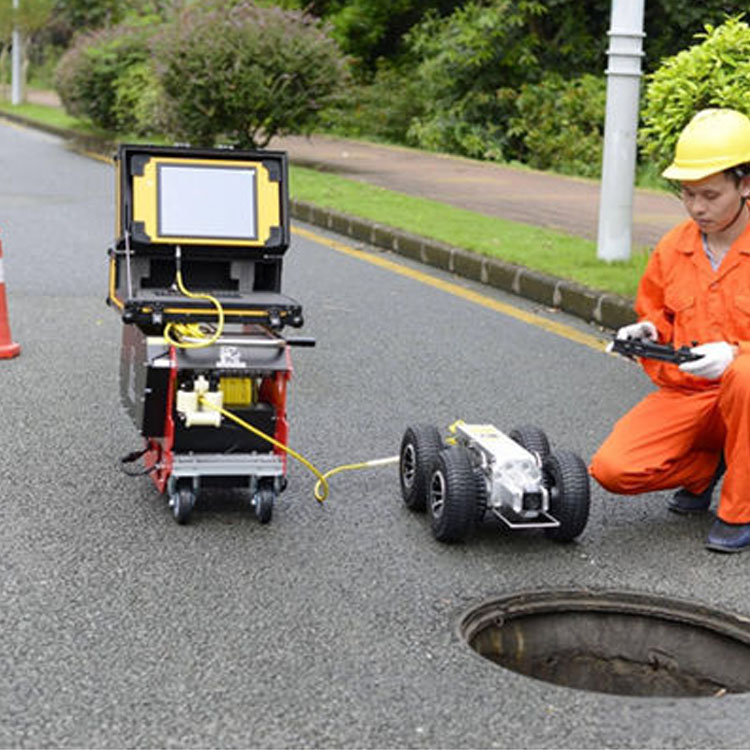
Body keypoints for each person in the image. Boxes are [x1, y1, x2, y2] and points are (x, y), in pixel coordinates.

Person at [590, 108, 750, 553]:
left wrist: (736, 354)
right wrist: (648, 331)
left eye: (711, 195)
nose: (697, 207)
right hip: (692, 396)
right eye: (688, 194)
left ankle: (740, 509)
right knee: (612, 469)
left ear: (746, 183)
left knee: (745, 377)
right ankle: (706, 467)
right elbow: (661, 313)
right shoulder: (673, 247)